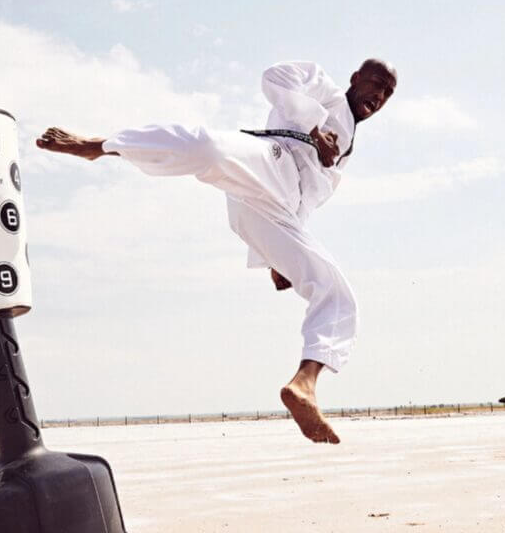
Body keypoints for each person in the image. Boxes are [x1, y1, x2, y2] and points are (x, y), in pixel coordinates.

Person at [36, 59, 397, 444]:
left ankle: (304, 385)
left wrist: (278, 259)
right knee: (208, 148)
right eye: (376, 83)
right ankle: (99, 146)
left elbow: (311, 194)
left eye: (387, 93)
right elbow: (274, 77)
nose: (379, 95)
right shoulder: (325, 92)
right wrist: (314, 130)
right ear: (355, 78)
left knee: (337, 291)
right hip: (268, 160)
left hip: (278, 209)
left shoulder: (348, 147)